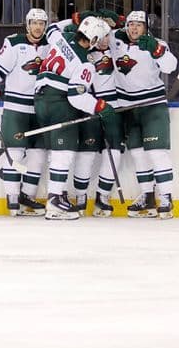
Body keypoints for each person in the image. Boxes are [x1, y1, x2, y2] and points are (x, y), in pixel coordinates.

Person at [33, 15, 119, 220]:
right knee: (64, 152)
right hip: (58, 103)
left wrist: (75, 19)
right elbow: (76, 96)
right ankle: (55, 202)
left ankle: (57, 194)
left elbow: (52, 28)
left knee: (56, 152)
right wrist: (99, 106)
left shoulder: (63, 38)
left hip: (39, 100)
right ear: (94, 39)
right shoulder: (86, 62)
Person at [0, 8, 50, 217]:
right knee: (15, 153)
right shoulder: (14, 43)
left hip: (40, 109)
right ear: (27, 24)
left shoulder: (51, 45)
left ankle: (27, 196)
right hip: (16, 108)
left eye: (42, 23)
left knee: (38, 155)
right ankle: (12, 199)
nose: (38, 27)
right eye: (34, 23)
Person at [107, 11, 179, 218]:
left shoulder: (157, 43)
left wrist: (157, 51)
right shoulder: (115, 40)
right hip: (127, 106)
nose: (134, 28)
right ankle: (147, 195)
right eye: (131, 24)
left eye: (139, 25)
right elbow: (99, 35)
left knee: (157, 152)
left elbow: (171, 66)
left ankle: (166, 197)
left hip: (152, 105)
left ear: (146, 27)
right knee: (137, 153)